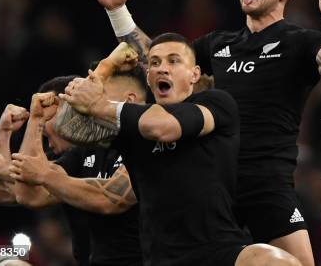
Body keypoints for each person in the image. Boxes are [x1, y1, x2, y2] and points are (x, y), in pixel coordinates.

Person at [83, 0, 321, 265]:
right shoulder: (219, 44)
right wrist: (118, 11)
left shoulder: (299, 41)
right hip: (213, 184)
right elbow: (161, 61)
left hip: (266, 183)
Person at [60, 33, 301, 266]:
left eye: (174, 61)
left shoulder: (217, 102)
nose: (163, 68)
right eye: (155, 63)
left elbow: (164, 127)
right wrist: (106, 66)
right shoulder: (130, 124)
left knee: (274, 261)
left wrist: (99, 105)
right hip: (162, 258)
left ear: (195, 74)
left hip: (219, 250)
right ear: (148, 77)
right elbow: (66, 128)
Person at [0, 44, 146, 266]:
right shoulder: (87, 150)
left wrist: (13, 170)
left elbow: (108, 199)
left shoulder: (151, 141)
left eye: (101, 92)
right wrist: (35, 120)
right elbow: (27, 194)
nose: (91, 98)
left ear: (129, 100)